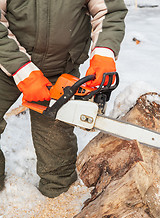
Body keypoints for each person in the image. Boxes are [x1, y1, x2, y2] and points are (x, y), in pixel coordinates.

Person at [0, 0, 128, 198]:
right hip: (5, 61)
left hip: (59, 67)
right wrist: (20, 68)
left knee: (56, 144)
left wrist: (104, 52)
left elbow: (109, 10)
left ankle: (58, 197)